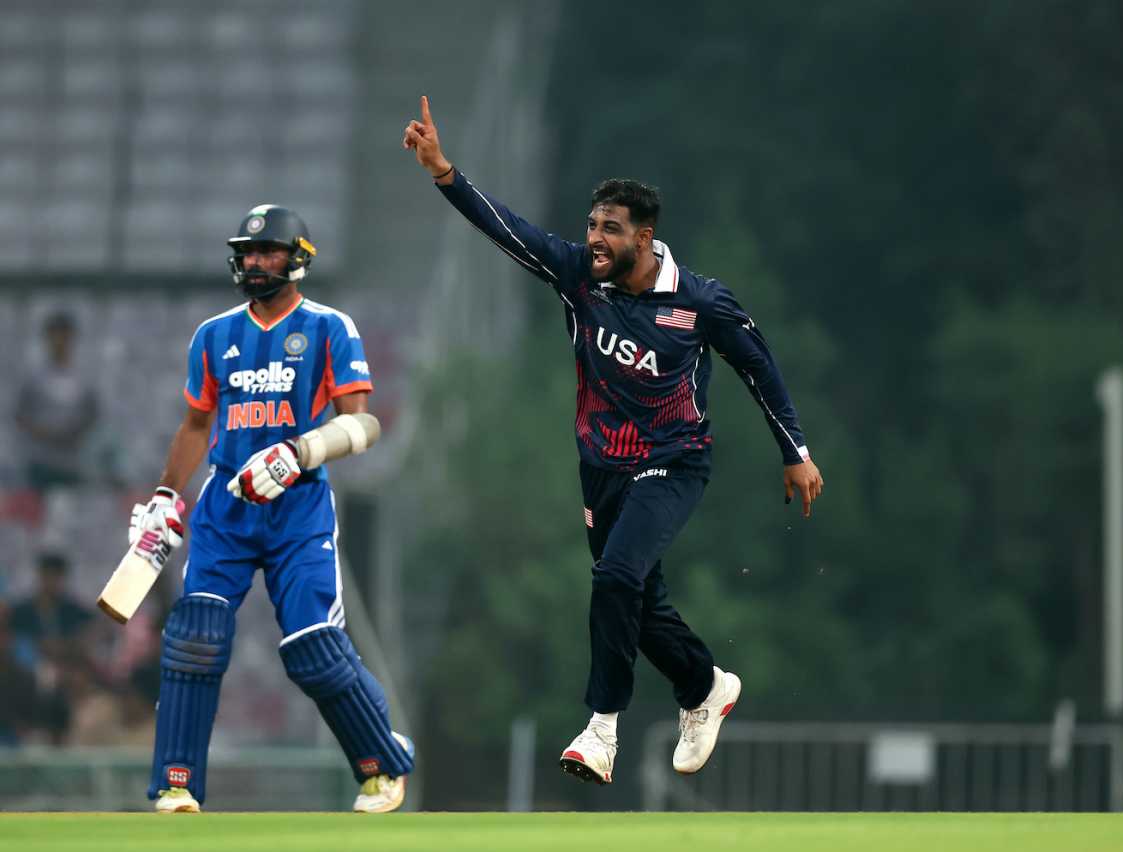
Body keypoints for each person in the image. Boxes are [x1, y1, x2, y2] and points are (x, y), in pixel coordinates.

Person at [402, 97, 824, 785]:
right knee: (635, 602)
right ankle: (705, 687)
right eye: (592, 225)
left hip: (675, 462)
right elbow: (506, 229)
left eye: (611, 229)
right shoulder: (578, 277)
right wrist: (443, 172)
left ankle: (602, 729)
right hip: (601, 468)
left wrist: (795, 451)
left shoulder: (700, 301)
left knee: (617, 579)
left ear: (645, 237)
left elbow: (758, 366)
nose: (595, 239)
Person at [128, 205, 414, 813]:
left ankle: (382, 766)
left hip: (298, 509)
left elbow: (363, 423)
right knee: (196, 636)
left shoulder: (329, 327)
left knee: (313, 645)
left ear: (298, 259)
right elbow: (195, 425)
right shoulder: (213, 335)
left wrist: (298, 452)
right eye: (249, 253)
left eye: (269, 252)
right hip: (225, 508)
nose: (256, 262)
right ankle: (177, 782)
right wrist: (165, 495)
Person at [13, 311, 99, 491]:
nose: (59, 341)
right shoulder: (34, 379)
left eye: (64, 336)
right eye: (55, 335)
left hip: (72, 461)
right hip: (40, 463)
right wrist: (43, 432)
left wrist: (72, 432)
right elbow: (21, 416)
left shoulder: (83, 379)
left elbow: (92, 415)